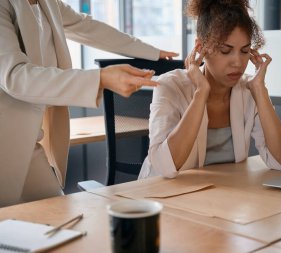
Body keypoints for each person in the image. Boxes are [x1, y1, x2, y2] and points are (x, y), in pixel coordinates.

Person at [0, 0, 178, 207]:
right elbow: (15, 77)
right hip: (6, 142)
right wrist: (100, 78)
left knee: (57, 220)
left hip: (28, 141)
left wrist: (152, 52)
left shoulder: (47, 3)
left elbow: (87, 27)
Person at [138, 0, 281, 179]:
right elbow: (164, 166)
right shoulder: (170, 85)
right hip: (161, 196)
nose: (237, 62)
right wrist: (201, 94)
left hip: (220, 199)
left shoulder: (248, 90)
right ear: (201, 48)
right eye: (225, 50)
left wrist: (260, 91)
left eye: (244, 51)